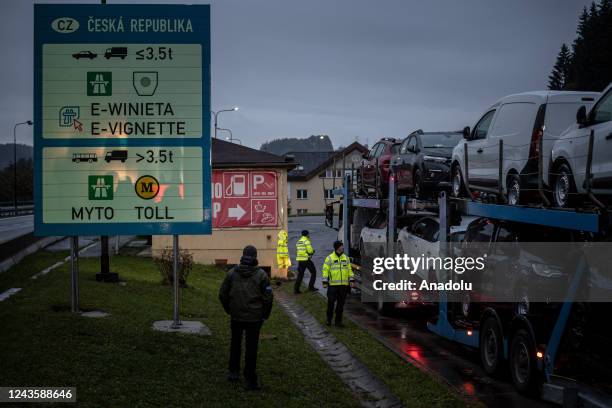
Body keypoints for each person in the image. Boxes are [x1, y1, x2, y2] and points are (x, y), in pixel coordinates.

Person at [219, 245, 273, 390]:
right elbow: (268, 297)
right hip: (255, 319)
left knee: (235, 344)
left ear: (243, 255)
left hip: (236, 316)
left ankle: (233, 372)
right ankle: (249, 378)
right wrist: (264, 315)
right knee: (251, 348)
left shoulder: (232, 273)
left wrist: (229, 310)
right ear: (255, 257)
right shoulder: (262, 275)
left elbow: (222, 294)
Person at [321, 241, 354, 327]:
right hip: (333, 286)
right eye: (342, 246)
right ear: (338, 247)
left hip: (343, 286)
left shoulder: (346, 258)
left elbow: (349, 270)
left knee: (340, 305)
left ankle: (338, 322)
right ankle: (329, 320)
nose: (343, 247)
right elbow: (325, 270)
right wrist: (325, 281)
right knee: (331, 303)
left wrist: (351, 280)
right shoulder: (329, 258)